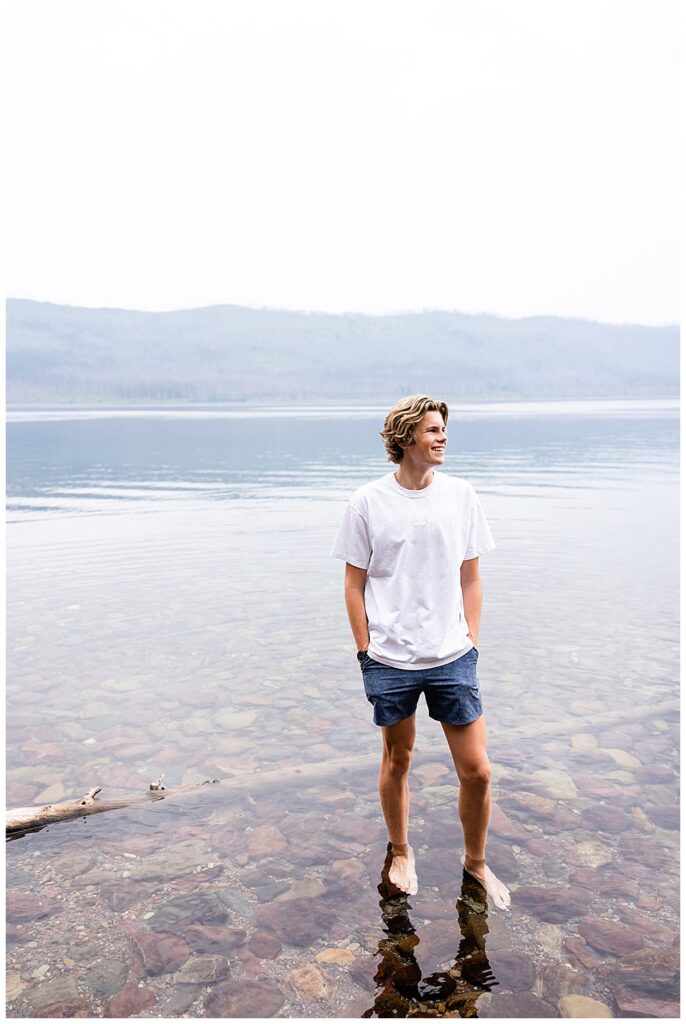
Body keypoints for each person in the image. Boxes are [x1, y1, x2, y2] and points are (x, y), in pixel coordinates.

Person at [331, 394, 510, 909]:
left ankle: (475, 863)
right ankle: (402, 851)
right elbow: (352, 584)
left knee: (477, 770)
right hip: (390, 658)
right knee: (398, 758)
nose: (443, 438)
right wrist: (366, 650)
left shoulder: (462, 495)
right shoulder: (367, 502)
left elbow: (471, 577)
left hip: (453, 654)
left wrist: (471, 642)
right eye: (433, 430)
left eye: (443, 429)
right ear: (406, 437)